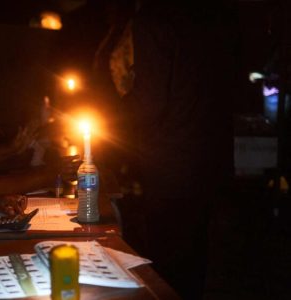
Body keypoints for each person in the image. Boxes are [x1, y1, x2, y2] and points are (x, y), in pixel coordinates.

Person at [94, 1, 235, 299]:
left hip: (172, 162)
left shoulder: (154, 19)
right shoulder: (208, 13)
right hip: (206, 154)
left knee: (169, 262)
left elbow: (149, 104)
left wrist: (107, 121)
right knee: (194, 257)